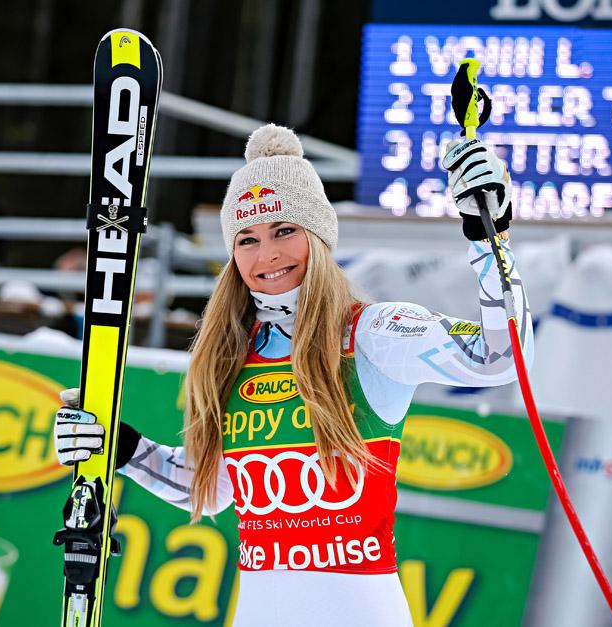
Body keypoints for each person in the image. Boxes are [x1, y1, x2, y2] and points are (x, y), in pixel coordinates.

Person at [54, 125, 532, 626]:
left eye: (285, 231)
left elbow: (500, 358)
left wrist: (488, 238)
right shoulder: (229, 358)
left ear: (318, 236)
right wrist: (120, 448)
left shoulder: (372, 332)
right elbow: (210, 488)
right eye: (248, 240)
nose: (268, 256)